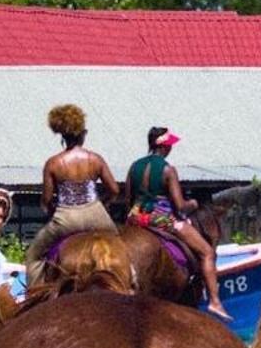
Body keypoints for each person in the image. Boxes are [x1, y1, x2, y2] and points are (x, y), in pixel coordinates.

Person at [125, 126, 232, 321]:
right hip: (162, 218)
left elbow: (128, 198)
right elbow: (180, 206)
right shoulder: (168, 170)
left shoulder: (134, 167)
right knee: (207, 252)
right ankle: (215, 302)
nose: (171, 149)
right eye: (170, 145)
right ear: (164, 147)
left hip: (135, 217)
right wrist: (194, 203)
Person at [23, 104, 120, 287]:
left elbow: (45, 201)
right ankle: (132, 283)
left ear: (63, 135)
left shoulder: (53, 163)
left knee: (34, 255)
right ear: (83, 134)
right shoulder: (95, 159)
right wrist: (103, 204)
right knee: (122, 245)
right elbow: (114, 190)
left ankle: (33, 294)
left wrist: (53, 212)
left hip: (66, 219)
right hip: (96, 215)